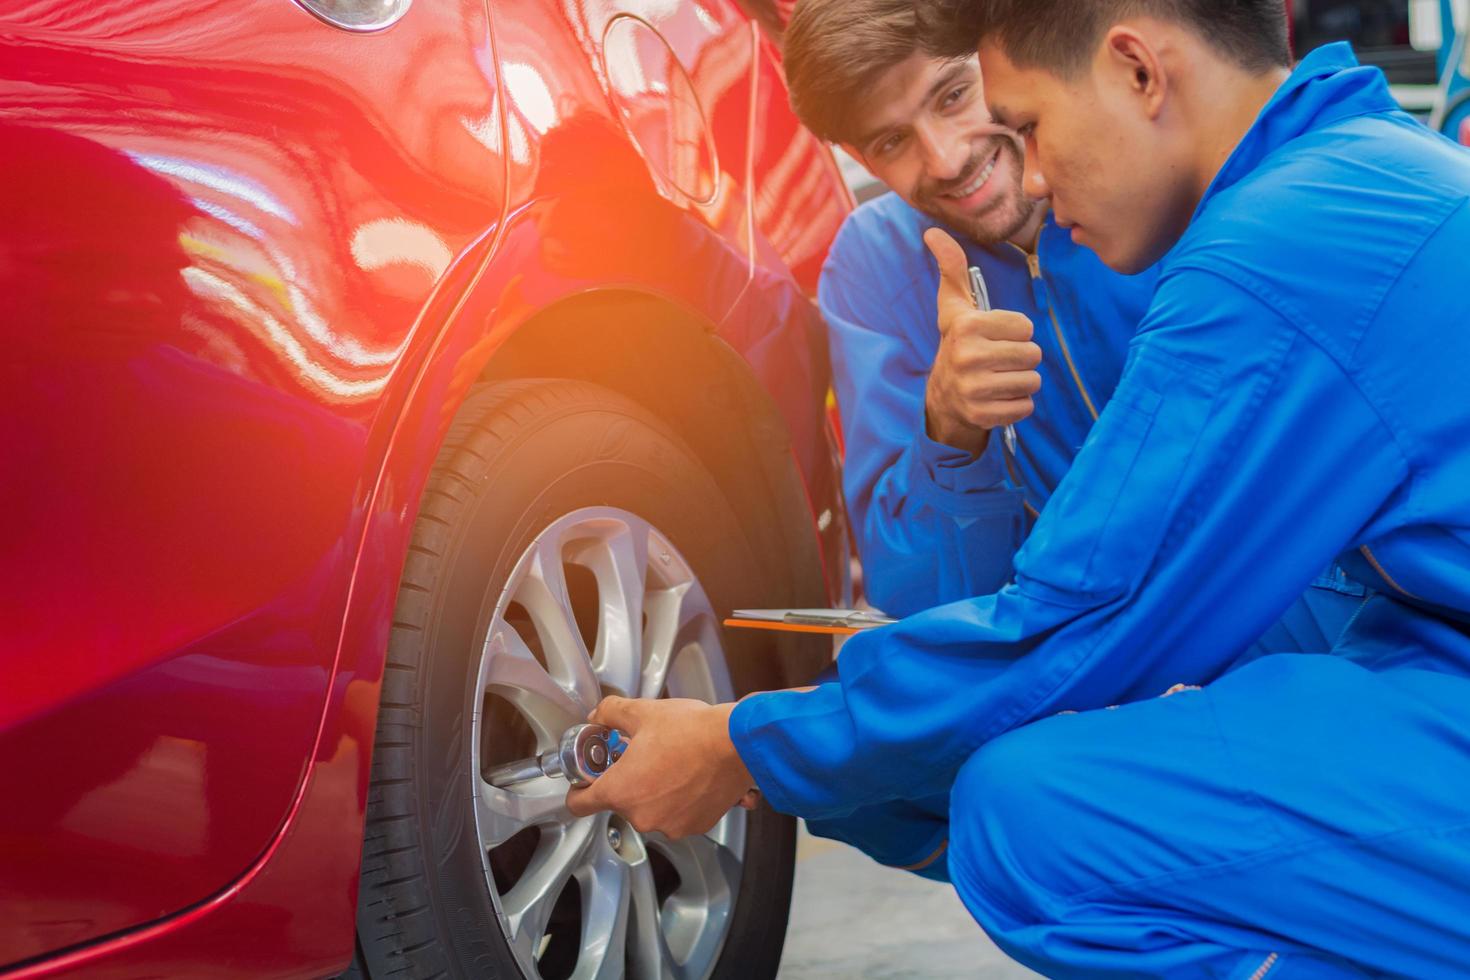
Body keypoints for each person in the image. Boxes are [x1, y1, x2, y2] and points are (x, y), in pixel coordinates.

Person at [569, 0, 1470, 975]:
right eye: (886, 142)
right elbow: (963, 604)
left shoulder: (1265, 254)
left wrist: (739, 743)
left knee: (1024, 815)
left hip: (1306, 645)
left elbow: (1084, 617)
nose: (1018, 168)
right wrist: (951, 441)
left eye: (1021, 119)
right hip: (1402, 649)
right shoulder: (1356, 168)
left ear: (1136, 70)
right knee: (926, 764)